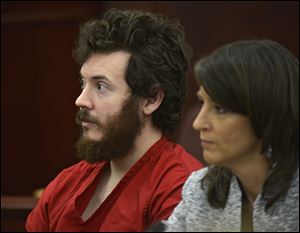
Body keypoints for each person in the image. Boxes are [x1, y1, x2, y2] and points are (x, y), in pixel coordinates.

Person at [25, 8, 204, 232]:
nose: (81, 100)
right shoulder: (66, 184)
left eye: (101, 87)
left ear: (151, 99)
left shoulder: (180, 188)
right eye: (83, 83)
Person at [163, 39, 299, 232]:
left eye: (219, 109)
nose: (198, 123)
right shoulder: (200, 188)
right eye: (202, 103)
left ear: (264, 112)